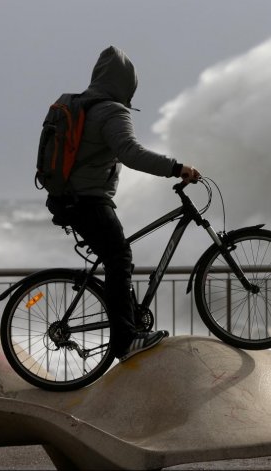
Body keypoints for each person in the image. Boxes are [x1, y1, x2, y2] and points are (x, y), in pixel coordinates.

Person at [46, 46, 201, 362]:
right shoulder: (111, 111)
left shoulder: (82, 105)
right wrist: (176, 167)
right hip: (88, 200)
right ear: (127, 83)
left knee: (119, 260)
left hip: (68, 198)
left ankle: (129, 327)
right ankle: (126, 340)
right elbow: (130, 153)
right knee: (119, 257)